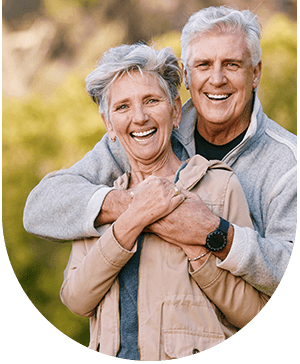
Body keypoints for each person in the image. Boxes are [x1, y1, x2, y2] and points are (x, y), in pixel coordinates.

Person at [23, 6, 296, 298]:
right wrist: (135, 206)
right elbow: (41, 208)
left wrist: (216, 234)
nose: (217, 79)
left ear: (255, 73)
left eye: (231, 64)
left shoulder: (287, 164)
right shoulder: (150, 133)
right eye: (203, 65)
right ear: (187, 76)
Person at [59, 43, 268, 360]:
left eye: (151, 101)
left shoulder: (219, 186)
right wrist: (132, 219)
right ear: (108, 125)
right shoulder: (99, 200)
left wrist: (197, 245)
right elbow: (76, 299)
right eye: (123, 107)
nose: (139, 117)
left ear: (174, 111)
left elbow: (252, 312)